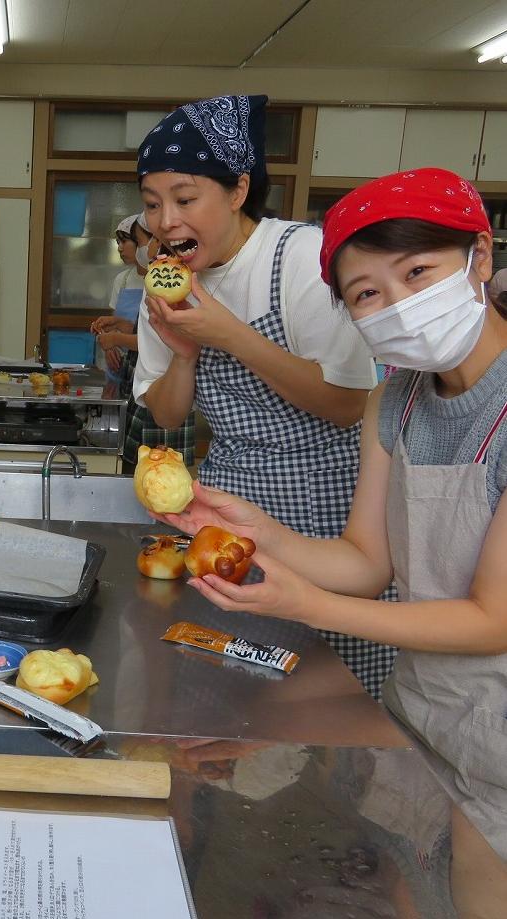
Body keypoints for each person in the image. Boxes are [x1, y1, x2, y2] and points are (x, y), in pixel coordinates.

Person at [156, 166, 507, 867]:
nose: (400, 304)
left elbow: (491, 619)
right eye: (367, 293)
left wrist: (308, 604)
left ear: (479, 255)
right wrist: (256, 532)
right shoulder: (396, 400)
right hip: (424, 710)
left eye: (418, 272)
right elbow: (365, 563)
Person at [132, 94, 392, 696]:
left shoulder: (298, 257)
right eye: (152, 203)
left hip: (327, 506)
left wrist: (227, 333)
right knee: (235, 682)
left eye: (185, 199)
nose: (166, 221)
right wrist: (186, 353)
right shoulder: (166, 282)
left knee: (328, 689)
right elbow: (167, 413)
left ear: (239, 190)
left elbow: (346, 405)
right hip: (228, 502)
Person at [92, 213, 196, 471]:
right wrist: (120, 325)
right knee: (139, 470)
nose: (141, 249)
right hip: (144, 387)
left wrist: (117, 338)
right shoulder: (148, 280)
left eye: (138, 242)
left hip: (165, 391)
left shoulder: (171, 285)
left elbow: (159, 342)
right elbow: (149, 330)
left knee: (160, 473)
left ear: (157, 241)